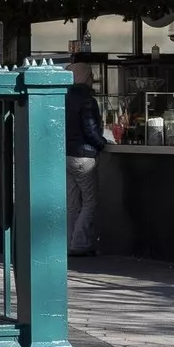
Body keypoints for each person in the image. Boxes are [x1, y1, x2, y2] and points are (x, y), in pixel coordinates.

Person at [65, 61, 107, 256]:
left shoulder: (62, 97)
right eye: (90, 75)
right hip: (84, 155)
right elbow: (90, 129)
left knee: (72, 203)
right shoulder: (87, 101)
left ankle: (70, 242)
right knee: (90, 202)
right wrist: (102, 143)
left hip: (66, 155)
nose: (93, 79)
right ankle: (80, 243)